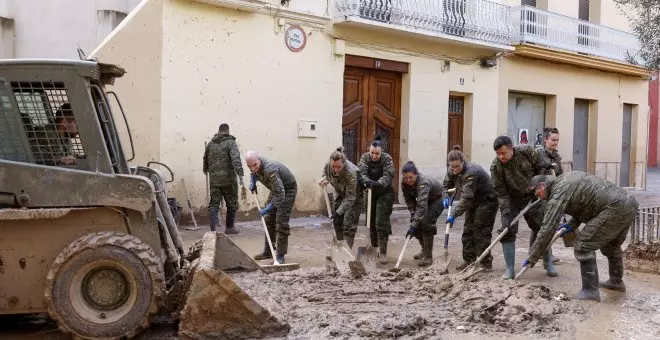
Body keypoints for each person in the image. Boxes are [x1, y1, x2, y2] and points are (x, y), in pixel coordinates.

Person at [526, 172, 638, 302]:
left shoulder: (558, 192)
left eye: (537, 193)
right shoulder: (563, 181)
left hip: (613, 207)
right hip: (627, 204)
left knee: (583, 245)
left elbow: (547, 227)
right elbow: (584, 203)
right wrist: (571, 225)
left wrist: (532, 256)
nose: (539, 197)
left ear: (542, 185)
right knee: (611, 246)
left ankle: (590, 291)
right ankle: (616, 282)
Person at [490, 135, 557, 279]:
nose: (501, 156)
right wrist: (506, 211)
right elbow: (500, 192)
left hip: (533, 195)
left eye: (503, 153)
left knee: (542, 228)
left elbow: (541, 168)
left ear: (511, 148)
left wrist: (540, 188)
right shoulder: (496, 167)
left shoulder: (526, 152)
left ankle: (547, 262)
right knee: (507, 229)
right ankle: (509, 269)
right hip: (512, 199)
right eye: (498, 154)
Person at [443, 145, 499, 270]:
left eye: (457, 166)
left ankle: (485, 263)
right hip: (473, 201)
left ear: (463, 162)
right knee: (468, 230)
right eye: (452, 166)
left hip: (486, 201)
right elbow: (446, 185)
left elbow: (466, 199)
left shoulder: (471, 172)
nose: (454, 169)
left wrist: (453, 215)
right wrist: (445, 196)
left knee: (480, 231)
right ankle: (469, 260)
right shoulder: (451, 170)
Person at [246, 150, 297, 264]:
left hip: (287, 190)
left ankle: (280, 254)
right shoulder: (254, 165)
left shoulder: (270, 169)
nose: (253, 168)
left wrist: (267, 209)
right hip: (277, 189)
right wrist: (252, 181)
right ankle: (268, 251)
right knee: (268, 219)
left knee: (281, 221)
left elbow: (281, 194)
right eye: (250, 166)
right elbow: (253, 172)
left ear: (259, 159)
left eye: (255, 165)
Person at [203, 123, 246, 234]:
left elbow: (205, 160)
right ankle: (230, 228)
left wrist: (205, 170)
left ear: (219, 131)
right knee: (231, 203)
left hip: (215, 180)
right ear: (228, 131)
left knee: (214, 204)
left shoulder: (210, 144)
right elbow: (236, 159)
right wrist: (240, 175)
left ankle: (213, 230)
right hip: (228, 180)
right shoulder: (231, 143)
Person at [358, 135, 395, 264]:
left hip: (385, 192)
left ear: (382, 151)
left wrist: (378, 183)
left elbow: (388, 175)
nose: (374, 156)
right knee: (370, 221)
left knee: (381, 221)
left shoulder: (387, 159)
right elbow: (361, 173)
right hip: (369, 191)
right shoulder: (364, 158)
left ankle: (383, 252)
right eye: (372, 153)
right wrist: (367, 182)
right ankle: (373, 248)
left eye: (377, 153)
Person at [401, 161, 444, 266]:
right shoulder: (404, 183)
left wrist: (414, 223)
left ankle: (428, 257)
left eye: (411, 177)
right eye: (406, 178)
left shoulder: (423, 183)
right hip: (424, 201)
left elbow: (421, 207)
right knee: (415, 225)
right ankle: (424, 249)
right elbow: (409, 200)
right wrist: (412, 214)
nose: (408, 180)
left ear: (416, 174)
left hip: (438, 199)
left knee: (426, 223)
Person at [319, 147, 363, 248]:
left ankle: (346, 254)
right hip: (339, 193)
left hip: (354, 197)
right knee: (337, 222)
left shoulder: (351, 172)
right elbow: (325, 174)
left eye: (339, 167)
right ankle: (339, 249)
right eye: (333, 166)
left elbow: (350, 197)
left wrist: (339, 212)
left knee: (348, 225)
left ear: (343, 163)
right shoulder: (328, 166)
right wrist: (323, 179)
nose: (335, 169)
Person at [536, 127, 564, 265]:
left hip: (553, 193)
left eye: (557, 140)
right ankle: (545, 253)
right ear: (545, 139)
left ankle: (538, 251)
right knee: (543, 224)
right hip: (540, 193)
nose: (555, 143)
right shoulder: (538, 154)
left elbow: (560, 175)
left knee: (544, 223)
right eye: (553, 140)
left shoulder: (557, 156)